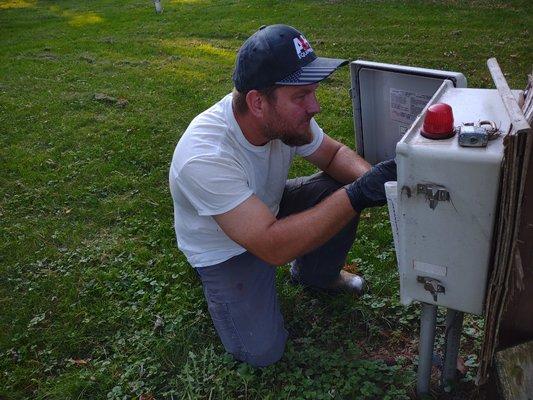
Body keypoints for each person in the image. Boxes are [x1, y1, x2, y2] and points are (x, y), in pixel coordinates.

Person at [169, 24, 396, 367]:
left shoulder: (285, 120)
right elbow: (271, 245)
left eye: (313, 92)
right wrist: (357, 195)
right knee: (261, 352)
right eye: (301, 96)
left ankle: (315, 276)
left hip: (265, 207)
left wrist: (379, 184)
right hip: (222, 246)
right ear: (258, 102)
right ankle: (216, 285)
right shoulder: (204, 155)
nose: (315, 106)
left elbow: (333, 156)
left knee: (339, 185)